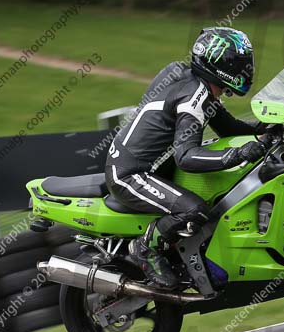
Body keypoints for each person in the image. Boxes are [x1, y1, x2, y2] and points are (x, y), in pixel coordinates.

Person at [105, 27, 266, 291]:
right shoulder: (193, 97)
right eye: (241, 62)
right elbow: (186, 157)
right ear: (221, 63)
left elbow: (229, 127)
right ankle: (144, 249)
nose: (247, 68)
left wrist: (269, 127)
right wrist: (237, 155)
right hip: (130, 174)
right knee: (195, 209)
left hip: (150, 168)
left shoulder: (195, 83)